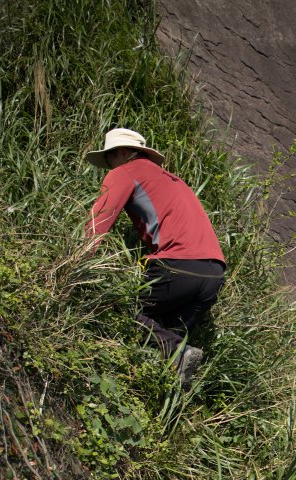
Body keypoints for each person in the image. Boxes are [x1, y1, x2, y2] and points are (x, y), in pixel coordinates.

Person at [86, 128, 225, 386]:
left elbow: (97, 224)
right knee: (166, 357)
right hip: (214, 275)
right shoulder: (175, 181)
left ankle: (178, 354)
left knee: (119, 308)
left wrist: (75, 265)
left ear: (123, 153)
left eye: (109, 159)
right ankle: (169, 394)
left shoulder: (124, 172)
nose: (108, 166)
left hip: (178, 267)